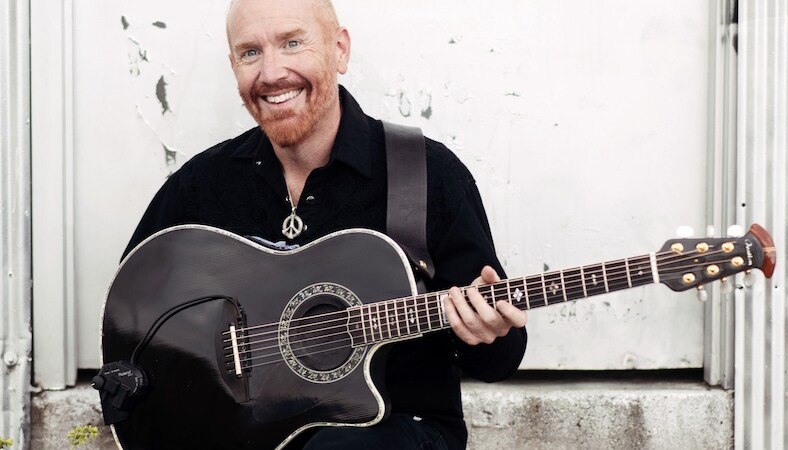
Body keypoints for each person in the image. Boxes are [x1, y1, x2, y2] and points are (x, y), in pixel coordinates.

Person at [123, 0, 528, 448]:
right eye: (250, 52)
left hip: (398, 428)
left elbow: (499, 361)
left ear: (339, 50)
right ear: (234, 65)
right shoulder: (202, 186)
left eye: (292, 43)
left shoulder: (424, 175)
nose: (271, 73)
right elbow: (131, 315)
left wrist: (486, 332)